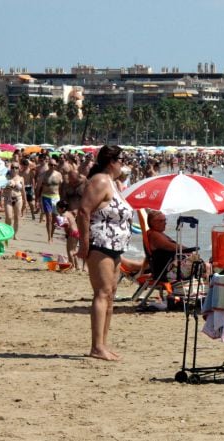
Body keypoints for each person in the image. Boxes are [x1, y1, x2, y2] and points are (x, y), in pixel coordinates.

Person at [76, 145, 133, 361]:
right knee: (102, 292)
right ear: (112, 161)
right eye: (121, 160)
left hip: (115, 245)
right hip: (100, 242)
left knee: (110, 294)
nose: (123, 164)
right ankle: (96, 346)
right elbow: (84, 210)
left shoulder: (114, 184)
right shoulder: (100, 180)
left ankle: (103, 344)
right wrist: (84, 242)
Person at [37, 155, 63, 243]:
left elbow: (62, 187)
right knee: (49, 218)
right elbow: (38, 187)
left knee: (55, 219)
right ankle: (48, 237)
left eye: (54, 165)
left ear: (56, 165)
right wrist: (37, 198)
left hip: (56, 197)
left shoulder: (59, 175)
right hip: (46, 197)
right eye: (51, 165)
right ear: (48, 164)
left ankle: (51, 235)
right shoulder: (43, 175)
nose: (52, 166)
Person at [56, 200, 81, 270]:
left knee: (70, 250)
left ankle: (72, 266)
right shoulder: (69, 213)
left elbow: (67, 225)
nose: (57, 210)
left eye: (58, 208)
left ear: (63, 208)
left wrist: (60, 225)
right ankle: (77, 266)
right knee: (74, 250)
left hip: (72, 233)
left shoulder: (63, 215)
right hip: (77, 232)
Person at [2, 162, 25, 240]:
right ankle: (7, 232)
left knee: (17, 217)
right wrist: (8, 186)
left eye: (16, 168)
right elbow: (2, 189)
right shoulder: (6, 177)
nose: (14, 169)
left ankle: (15, 234)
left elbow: (23, 191)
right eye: (12, 167)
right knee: (9, 217)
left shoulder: (21, 178)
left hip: (18, 199)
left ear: (19, 169)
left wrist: (25, 202)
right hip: (8, 198)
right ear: (10, 168)